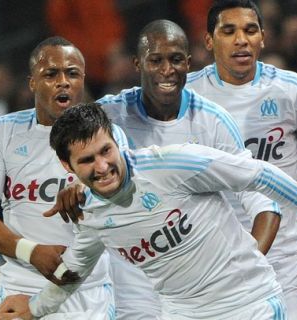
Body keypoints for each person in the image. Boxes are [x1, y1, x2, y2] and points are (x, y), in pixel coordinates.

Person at [0, 102, 297, 320]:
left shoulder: (175, 164)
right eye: (87, 160)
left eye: (106, 151)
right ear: (68, 167)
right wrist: (34, 308)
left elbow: (261, 176)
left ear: (116, 142)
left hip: (249, 305)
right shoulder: (91, 218)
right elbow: (74, 271)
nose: (102, 166)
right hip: (181, 313)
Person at [54, 19, 282, 320]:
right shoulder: (109, 114)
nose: (166, 70)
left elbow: (262, 197)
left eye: (175, 60)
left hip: (207, 277)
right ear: (138, 64)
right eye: (155, 60)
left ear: (188, 63)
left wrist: (240, 271)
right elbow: (76, 151)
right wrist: (74, 184)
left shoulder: (212, 120)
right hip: (135, 279)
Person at [186, 1, 297, 318]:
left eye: (250, 30)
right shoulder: (184, 98)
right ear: (209, 40)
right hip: (207, 269)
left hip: (282, 267)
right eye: (228, 31)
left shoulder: (294, 92)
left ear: (263, 37)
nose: (241, 40)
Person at [0, 37, 123, 319]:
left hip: (88, 290)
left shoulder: (108, 136)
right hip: (22, 286)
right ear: (32, 83)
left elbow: (127, 204)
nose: (63, 82)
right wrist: (31, 251)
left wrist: (89, 194)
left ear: (83, 80)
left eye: (72, 73)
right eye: (51, 74)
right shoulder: (2, 132)